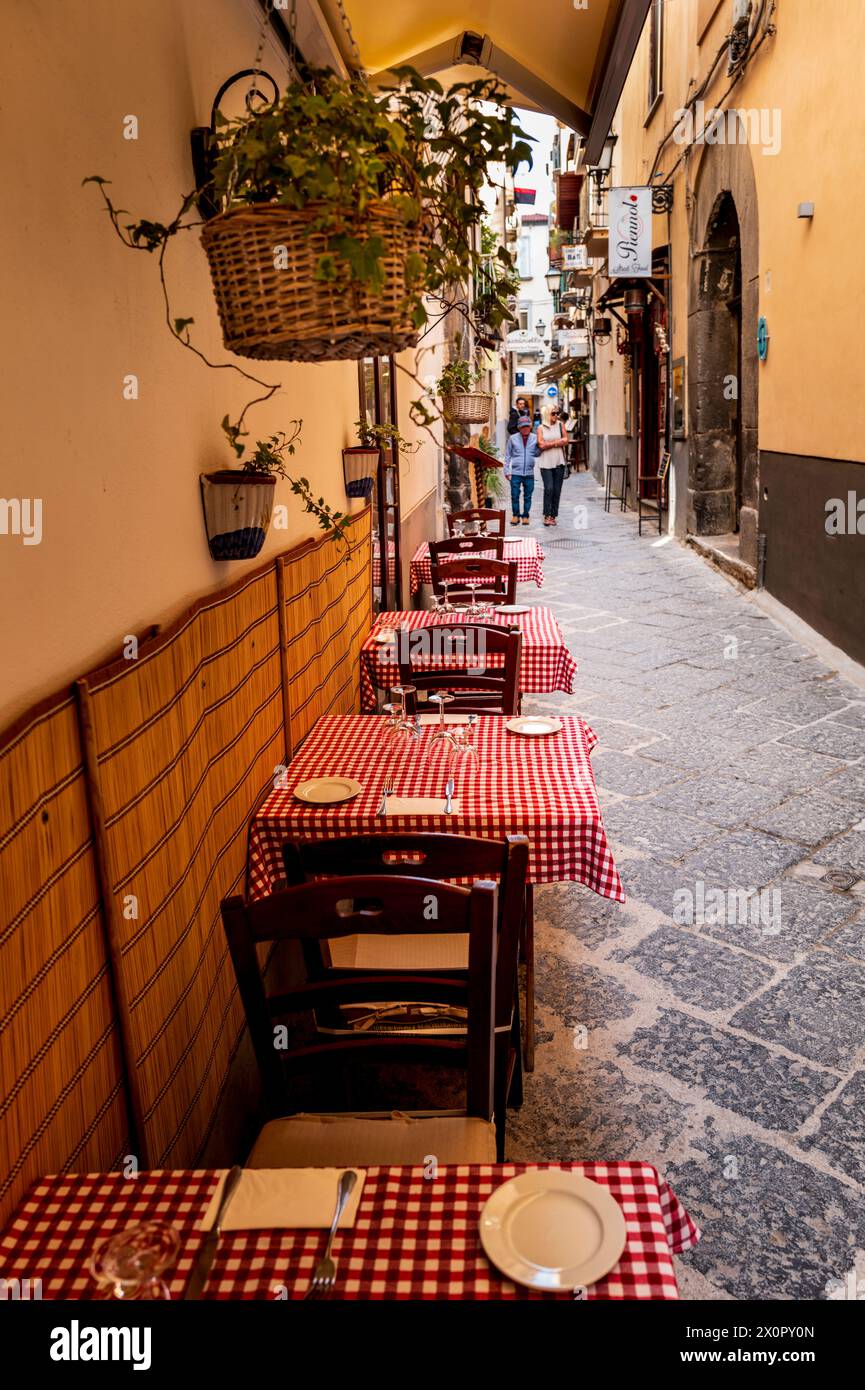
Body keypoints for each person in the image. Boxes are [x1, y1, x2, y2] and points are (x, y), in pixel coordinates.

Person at [504, 415, 539, 525]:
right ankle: (515, 515)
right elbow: (508, 455)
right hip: (515, 473)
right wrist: (507, 471)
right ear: (519, 427)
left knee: (528, 496)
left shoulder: (535, 438)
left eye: (527, 426)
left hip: (529, 473)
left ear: (530, 426)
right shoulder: (512, 438)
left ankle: (525, 516)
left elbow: (537, 453)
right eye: (523, 427)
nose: (525, 429)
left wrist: (541, 448)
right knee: (515, 495)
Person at [536, 403, 567, 526]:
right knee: (549, 488)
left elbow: (566, 440)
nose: (556, 415)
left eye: (557, 413)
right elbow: (541, 445)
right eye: (553, 413)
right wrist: (556, 443)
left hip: (559, 462)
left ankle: (553, 516)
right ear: (547, 414)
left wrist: (549, 443)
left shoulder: (561, 425)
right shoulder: (541, 428)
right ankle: (546, 515)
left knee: (557, 490)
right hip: (546, 462)